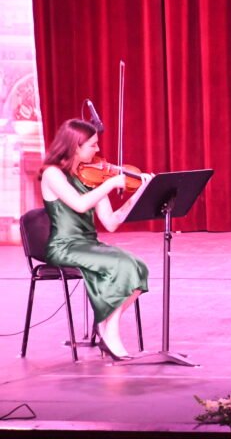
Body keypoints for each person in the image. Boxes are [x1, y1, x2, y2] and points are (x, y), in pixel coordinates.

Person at [39, 119, 153, 360]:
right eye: (92, 145)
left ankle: (106, 325)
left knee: (139, 267)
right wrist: (110, 184)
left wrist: (139, 193)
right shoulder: (52, 174)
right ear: (75, 146)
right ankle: (110, 331)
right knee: (122, 265)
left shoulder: (91, 176)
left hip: (89, 245)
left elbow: (111, 223)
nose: (98, 150)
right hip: (64, 246)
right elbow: (80, 204)